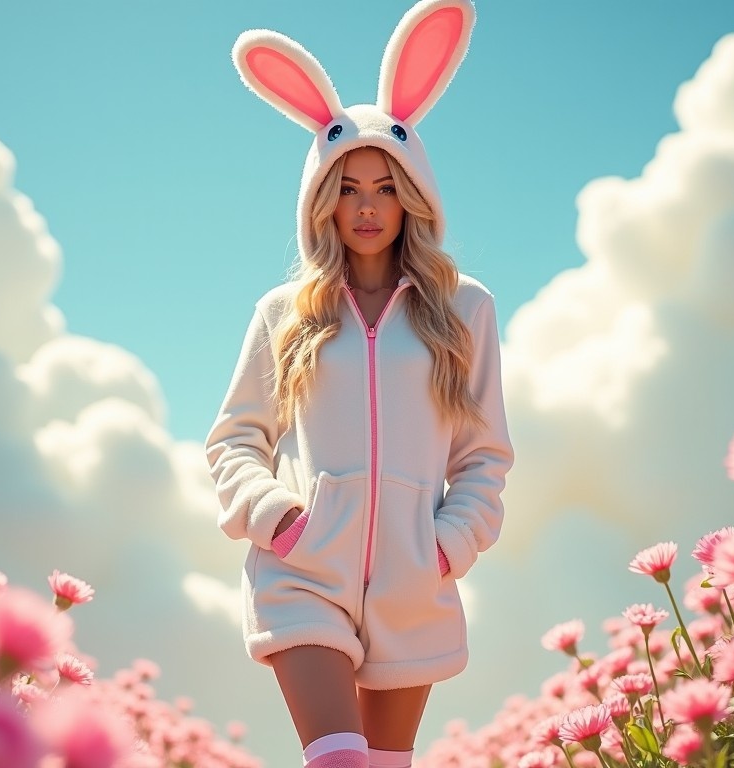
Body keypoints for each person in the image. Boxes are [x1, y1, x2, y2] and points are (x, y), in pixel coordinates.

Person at [205, 2, 513, 766]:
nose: (367, 206)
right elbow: (234, 440)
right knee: (338, 758)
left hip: (414, 586)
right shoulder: (284, 313)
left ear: (413, 192)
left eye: (384, 185)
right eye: (348, 188)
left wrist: (445, 546)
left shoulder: (466, 309)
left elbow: (483, 457)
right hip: (303, 573)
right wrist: (279, 518)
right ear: (323, 199)